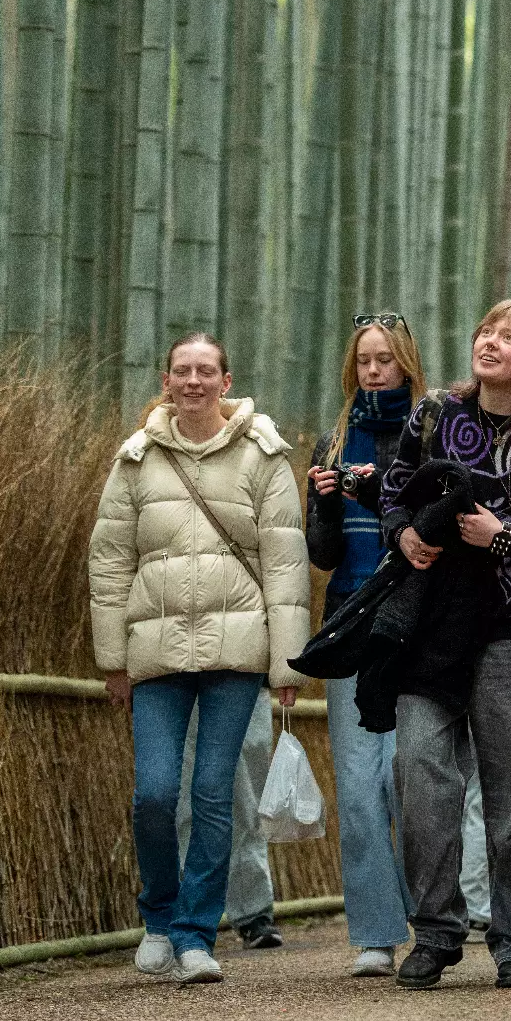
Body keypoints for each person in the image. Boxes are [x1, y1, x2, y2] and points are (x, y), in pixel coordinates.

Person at [380, 300, 511, 991]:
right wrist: (403, 533)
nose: (490, 342)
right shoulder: (436, 414)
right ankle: (436, 931)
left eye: (508, 336)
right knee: (418, 768)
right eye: (486, 331)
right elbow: (393, 489)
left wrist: (503, 538)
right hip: (435, 630)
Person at [89, 333, 309, 984]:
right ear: (166, 380)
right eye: (182, 370)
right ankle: (158, 916)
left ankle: (194, 933)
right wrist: (113, 660)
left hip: (235, 654)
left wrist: (287, 665)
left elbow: (285, 565)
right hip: (155, 655)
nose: (193, 380)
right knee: (155, 795)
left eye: (205, 370)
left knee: (213, 794)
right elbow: (109, 562)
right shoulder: (136, 458)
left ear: (225, 380)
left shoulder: (263, 455)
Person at [306, 313, 426, 978]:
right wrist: (324, 502)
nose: (374, 371)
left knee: (405, 778)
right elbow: (322, 554)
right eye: (364, 360)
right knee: (356, 789)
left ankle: (430, 915)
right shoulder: (333, 440)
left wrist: (384, 494)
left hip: (414, 623)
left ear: (407, 362)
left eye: (385, 359)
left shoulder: (435, 430)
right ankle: (376, 934)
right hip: (352, 619)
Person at [177, 689, 283, 949]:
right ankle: (189, 914)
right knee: (185, 795)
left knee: (248, 799)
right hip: (179, 676)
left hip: (247, 676)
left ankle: (252, 911)